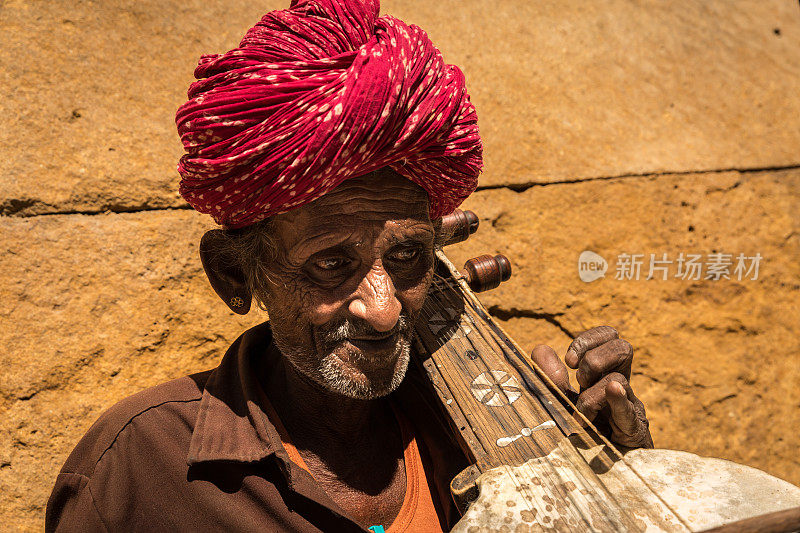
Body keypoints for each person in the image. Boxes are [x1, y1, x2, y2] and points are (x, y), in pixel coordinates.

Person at [46, 1, 652, 531]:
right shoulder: (139, 468)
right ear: (235, 275)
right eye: (332, 263)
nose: (385, 312)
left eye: (409, 255)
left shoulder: (487, 426)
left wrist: (618, 480)